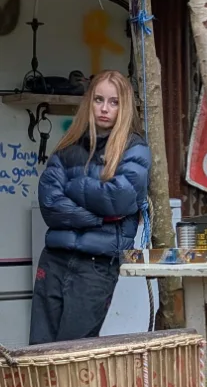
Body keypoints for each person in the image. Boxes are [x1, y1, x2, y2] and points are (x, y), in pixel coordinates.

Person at [29, 70, 151, 344]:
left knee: (75, 355)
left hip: (96, 267)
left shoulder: (135, 149)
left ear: (125, 106)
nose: (105, 108)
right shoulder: (68, 147)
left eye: (114, 101)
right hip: (55, 259)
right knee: (37, 354)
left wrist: (72, 185)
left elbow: (118, 199)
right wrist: (100, 218)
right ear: (89, 102)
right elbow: (50, 204)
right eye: (99, 99)